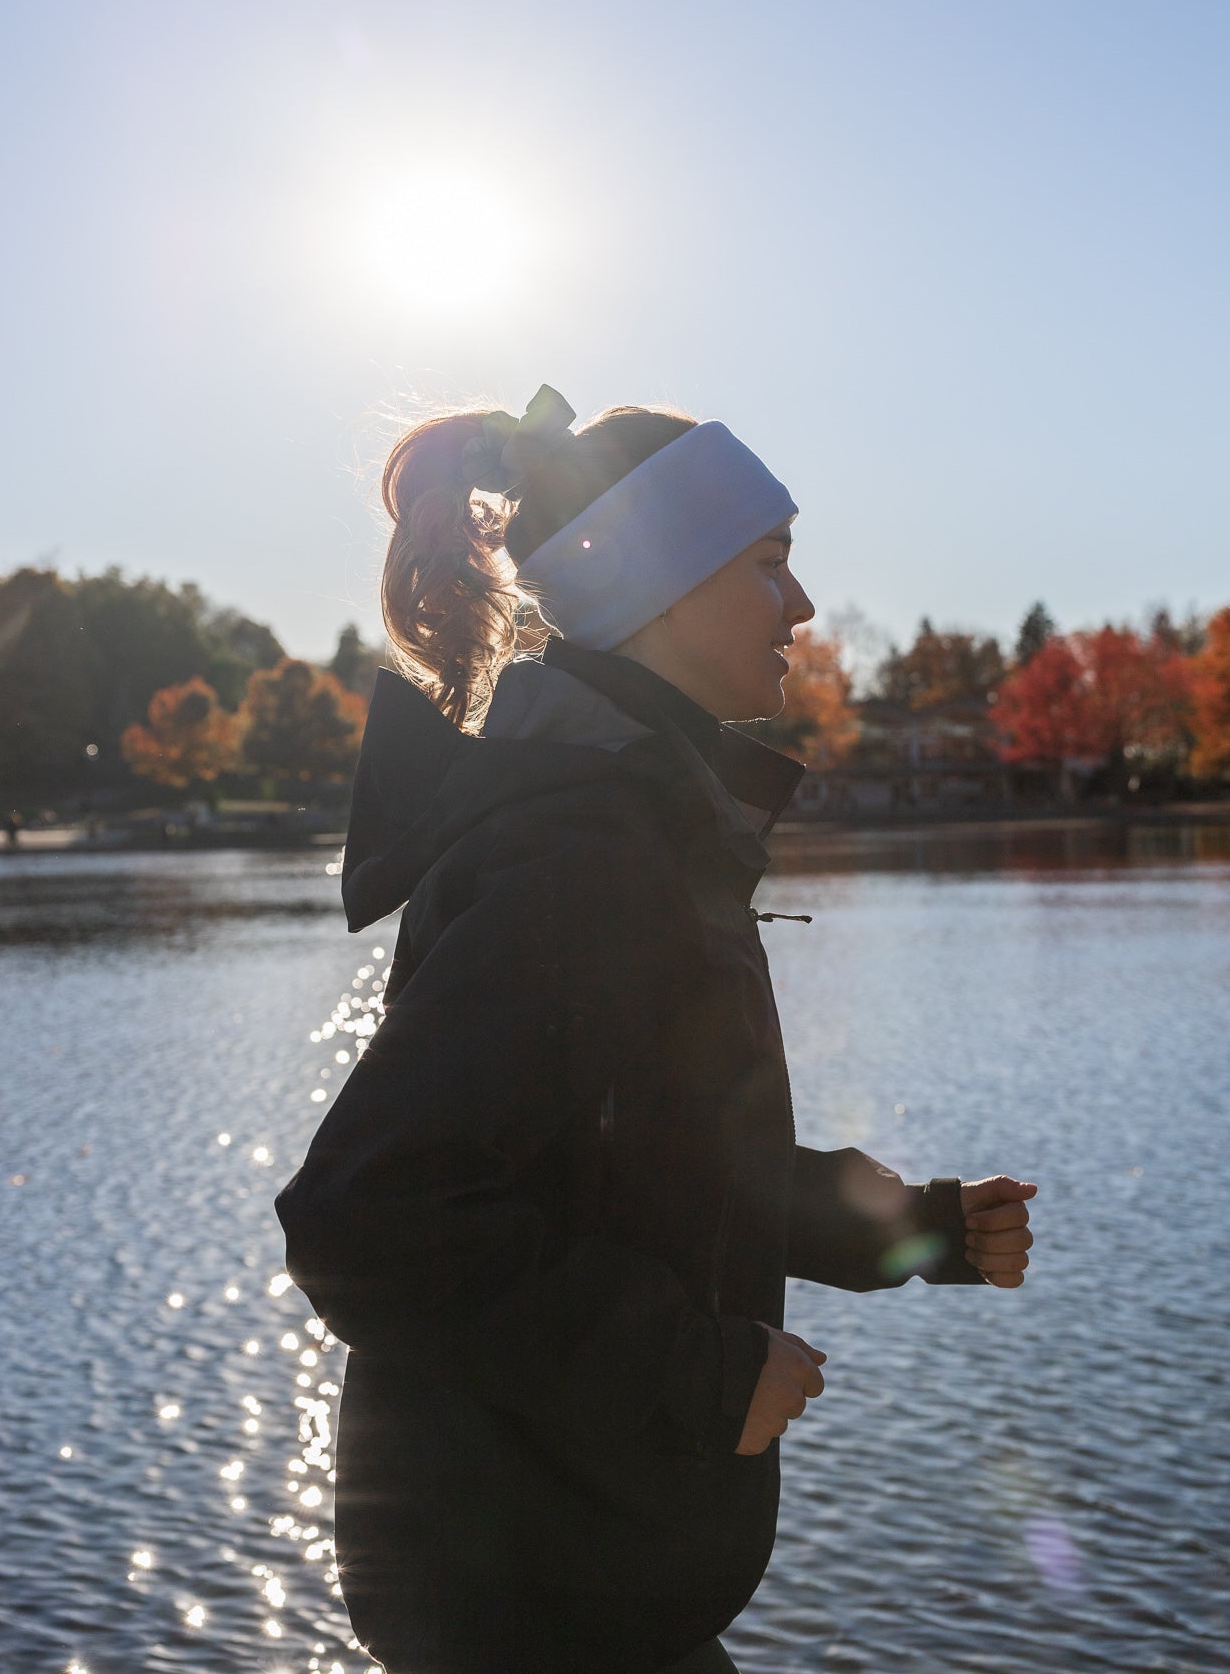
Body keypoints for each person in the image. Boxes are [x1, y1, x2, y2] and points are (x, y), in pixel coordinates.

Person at [276, 388, 1036, 1674]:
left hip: (583, 1582)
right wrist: (694, 1373)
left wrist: (916, 1226)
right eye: (770, 563)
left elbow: (655, 1159)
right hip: (525, 1601)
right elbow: (369, 1213)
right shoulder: (581, 845)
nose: (800, 608)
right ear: (664, 588)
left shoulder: (639, 820)